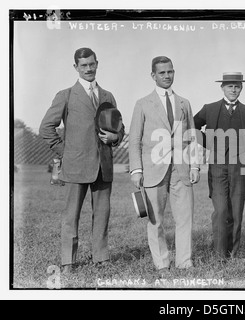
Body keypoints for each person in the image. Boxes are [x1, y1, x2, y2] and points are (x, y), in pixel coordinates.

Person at [40, 47, 125, 274]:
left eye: (92, 64)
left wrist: (116, 136)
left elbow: (119, 128)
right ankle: (68, 262)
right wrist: (65, 152)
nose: (88, 69)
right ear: (76, 67)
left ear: (97, 63)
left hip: (103, 167)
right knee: (71, 216)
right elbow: (46, 128)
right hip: (75, 166)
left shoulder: (108, 96)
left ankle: (101, 258)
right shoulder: (66, 95)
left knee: (102, 214)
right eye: (83, 65)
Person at [128, 56, 200, 275]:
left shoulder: (184, 103)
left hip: (181, 168)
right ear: (153, 76)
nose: (167, 76)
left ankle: (184, 262)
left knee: (185, 217)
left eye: (170, 72)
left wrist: (195, 166)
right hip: (152, 170)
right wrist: (136, 169)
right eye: (162, 73)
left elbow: (192, 137)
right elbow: (134, 139)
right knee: (155, 220)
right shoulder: (142, 104)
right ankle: (162, 264)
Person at [194, 72, 245, 260]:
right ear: (222, 88)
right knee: (220, 211)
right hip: (217, 168)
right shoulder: (209, 109)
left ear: (241, 88)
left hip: (241, 168)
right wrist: (208, 142)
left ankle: (232, 254)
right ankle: (219, 255)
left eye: (237, 86)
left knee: (236, 211)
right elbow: (191, 127)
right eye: (230, 86)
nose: (233, 89)